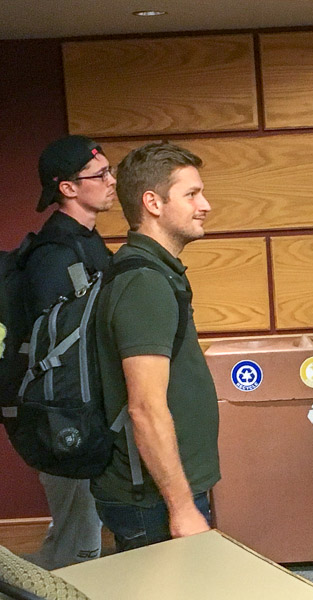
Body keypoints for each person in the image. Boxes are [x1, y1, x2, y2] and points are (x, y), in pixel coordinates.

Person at [91, 142, 219, 551]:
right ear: (153, 203)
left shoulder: (152, 271)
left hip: (158, 492)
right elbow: (144, 408)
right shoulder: (144, 283)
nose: (206, 205)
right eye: (192, 194)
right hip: (153, 501)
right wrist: (182, 508)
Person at [21, 135, 114, 569]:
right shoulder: (54, 254)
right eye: (100, 175)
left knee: (76, 528)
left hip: (83, 410)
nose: (111, 181)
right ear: (68, 188)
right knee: (80, 546)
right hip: (66, 414)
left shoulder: (86, 242)